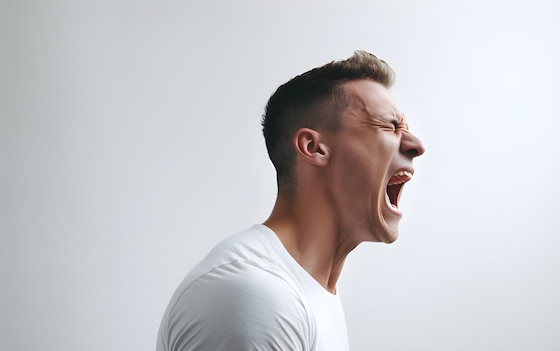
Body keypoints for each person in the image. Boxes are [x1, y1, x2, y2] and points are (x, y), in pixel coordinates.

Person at [156, 50, 425, 351]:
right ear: (314, 147)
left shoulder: (309, 293)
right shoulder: (255, 295)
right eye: (390, 126)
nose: (416, 145)